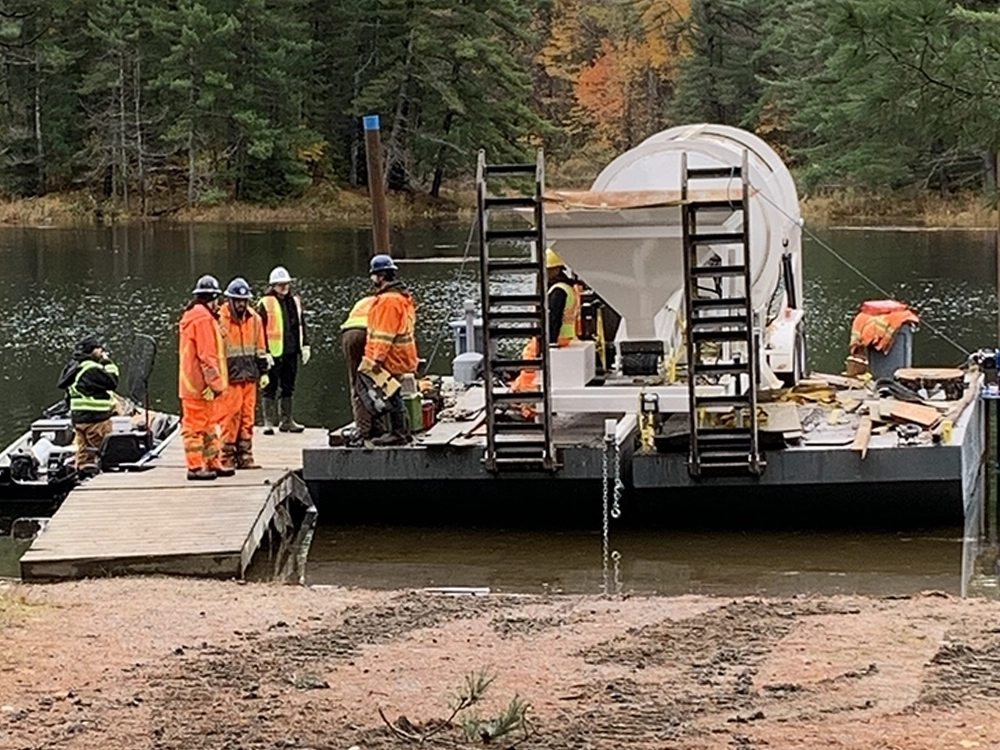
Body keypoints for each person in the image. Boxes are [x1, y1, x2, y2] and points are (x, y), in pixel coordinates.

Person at [179, 274, 232, 481]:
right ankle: (195, 466)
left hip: (199, 385)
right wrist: (216, 384)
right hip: (199, 386)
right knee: (194, 428)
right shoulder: (202, 320)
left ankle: (212, 462)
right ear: (212, 298)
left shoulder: (199, 316)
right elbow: (207, 357)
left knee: (210, 426)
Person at [361, 254, 418, 446]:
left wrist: (377, 359)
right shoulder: (402, 298)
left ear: (381, 276)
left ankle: (398, 433)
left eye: (374, 275)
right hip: (402, 354)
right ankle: (402, 431)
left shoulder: (388, 301)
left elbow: (385, 333)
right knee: (394, 393)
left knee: (392, 394)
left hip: (392, 357)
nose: (372, 279)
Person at [511, 248, 581, 394]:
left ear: (555, 270)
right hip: (566, 336)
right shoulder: (567, 287)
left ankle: (528, 397)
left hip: (559, 338)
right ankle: (522, 391)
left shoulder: (558, 291)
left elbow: (554, 318)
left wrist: (549, 344)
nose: (545, 274)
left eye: (547, 270)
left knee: (530, 357)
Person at [218, 277, 270, 470]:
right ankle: (226, 457)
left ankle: (245, 455)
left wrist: (263, 372)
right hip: (229, 378)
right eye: (237, 300)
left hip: (249, 376)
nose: (241, 304)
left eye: (244, 301)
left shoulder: (255, 319)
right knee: (230, 418)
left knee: (247, 417)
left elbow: (260, 348)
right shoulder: (220, 319)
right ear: (230, 300)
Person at [56, 334, 120, 477]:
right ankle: (104, 479)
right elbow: (112, 382)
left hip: (78, 419)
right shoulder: (91, 368)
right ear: (92, 350)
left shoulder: (73, 367)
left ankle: (82, 475)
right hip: (96, 418)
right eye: (99, 348)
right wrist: (107, 361)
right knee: (102, 451)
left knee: (83, 451)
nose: (101, 351)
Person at [258, 265, 310, 434]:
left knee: (288, 385)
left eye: (286, 284)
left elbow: (301, 324)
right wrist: (263, 351)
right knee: (270, 386)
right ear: (273, 286)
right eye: (281, 285)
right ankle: (268, 422)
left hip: (291, 350)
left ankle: (287, 421)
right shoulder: (265, 303)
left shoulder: (294, 301)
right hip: (272, 353)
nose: (284, 287)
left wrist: (305, 345)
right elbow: (259, 329)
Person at [340, 294, 376, 439]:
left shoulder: (367, 301)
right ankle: (369, 428)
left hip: (349, 335)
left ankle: (363, 426)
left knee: (357, 382)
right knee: (374, 383)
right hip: (366, 334)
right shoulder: (393, 305)